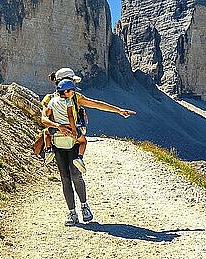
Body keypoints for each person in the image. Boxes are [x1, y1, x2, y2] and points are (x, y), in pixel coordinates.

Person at [40, 74, 136, 226]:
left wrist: (118, 110)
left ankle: (77, 210)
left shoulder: (55, 99)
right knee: (72, 177)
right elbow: (96, 104)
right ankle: (78, 210)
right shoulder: (59, 99)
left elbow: (96, 104)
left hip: (58, 140)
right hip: (71, 139)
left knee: (69, 178)